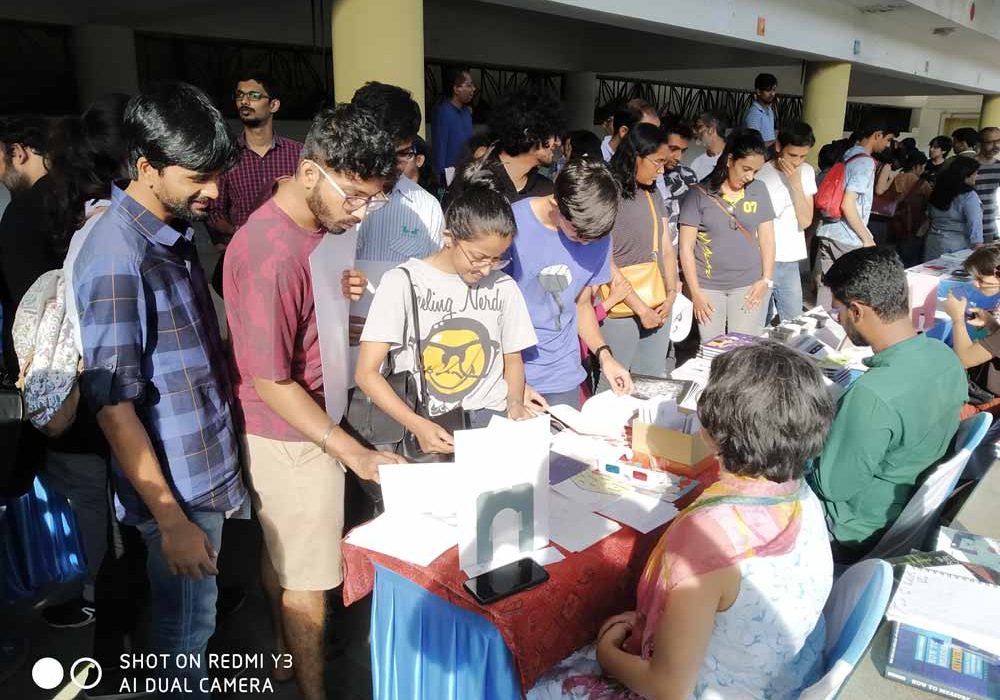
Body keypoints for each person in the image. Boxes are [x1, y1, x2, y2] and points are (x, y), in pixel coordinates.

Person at [529, 340, 834, 700]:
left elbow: (668, 688)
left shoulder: (709, 534)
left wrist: (606, 654)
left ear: (710, 429)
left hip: (715, 689)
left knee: (537, 680)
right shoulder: (801, 494)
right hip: (786, 675)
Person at [223, 103, 405, 700]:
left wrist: (340, 287)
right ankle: (312, 689)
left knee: (286, 554)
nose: (360, 212)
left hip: (315, 416)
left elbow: (311, 310)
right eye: (353, 196)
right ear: (309, 172)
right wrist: (349, 451)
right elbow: (271, 380)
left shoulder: (322, 229)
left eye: (371, 201)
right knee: (309, 579)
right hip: (289, 434)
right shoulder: (268, 253)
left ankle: (281, 653)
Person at [72, 82, 246, 699]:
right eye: (199, 177)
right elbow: (113, 403)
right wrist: (171, 520)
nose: (214, 192)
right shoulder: (117, 252)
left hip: (200, 468)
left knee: (191, 630)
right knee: (182, 637)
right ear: (146, 166)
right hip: (177, 489)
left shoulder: (170, 231)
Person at [356, 176, 539, 455]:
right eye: (478, 257)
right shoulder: (402, 282)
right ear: (448, 237)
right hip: (425, 423)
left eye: (497, 258)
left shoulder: (504, 287)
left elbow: (512, 358)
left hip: (491, 423)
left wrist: (514, 403)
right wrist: (415, 424)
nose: (487, 269)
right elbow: (367, 373)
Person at [807, 248, 967, 561]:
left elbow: (833, 487)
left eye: (837, 310)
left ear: (857, 311)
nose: (837, 319)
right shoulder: (945, 357)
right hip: (901, 512)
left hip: (853, 530)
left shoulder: (871, 396)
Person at [507, 159, 632, 408]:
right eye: (578, 234)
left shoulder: (599, 238)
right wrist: (511, 383)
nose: (585, 243)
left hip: (563, 376)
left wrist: (605, 356)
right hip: (513, 373)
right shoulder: (512, 225)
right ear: (556, 203)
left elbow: (582, 305)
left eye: (593, 238)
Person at [599, 123, 679, 382]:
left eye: (664, 162)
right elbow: (603, 259)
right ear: (636, 156)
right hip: (618, 302)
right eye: (656, 161)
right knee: (615, 383)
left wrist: (671, 293)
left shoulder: (653, 192)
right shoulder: (607, 192)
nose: (661, 169)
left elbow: (666, 247)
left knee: (651, 381)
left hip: (657, 298)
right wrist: (640, 308)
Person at [678, 129, 776, 339]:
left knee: (743, 350)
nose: (749, 177)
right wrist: (695, 292)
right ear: (730, 160)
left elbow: (767, 238)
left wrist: (765, 279)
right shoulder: (699, 193)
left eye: (755, 172)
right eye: (746, 169)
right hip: (708, 288)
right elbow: (685, 247)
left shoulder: (759, 190)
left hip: (749, 286)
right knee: (712, 349)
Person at [206, 72, 303, 250]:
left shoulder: (297, 153)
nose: (244, 101)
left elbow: (308, 204)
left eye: (254, 96)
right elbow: (215, 213)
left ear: (273, 105)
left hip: (289, 249)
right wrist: (237, 232)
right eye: (240, 95)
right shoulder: (227, 155)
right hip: (243, 250)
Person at [353, 81, 444, 263]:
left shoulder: (427, 208)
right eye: (381, 154)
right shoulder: (327, 199)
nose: (388, 165)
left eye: (402, 154)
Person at [0, 115, 56, 373]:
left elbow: (27, 305)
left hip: (46, 366)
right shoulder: (83, 196)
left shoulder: (21, 214)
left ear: (17, 152)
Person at [449, 89, 565, 204]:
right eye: (552, 134)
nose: (558, 143)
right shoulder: (475, 180)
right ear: (529, 135)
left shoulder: (546, 191)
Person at [814, 119, 898, 274]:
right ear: (877, 135)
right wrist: (866, 238)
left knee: (827, 287)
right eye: (888, 140)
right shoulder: (865, 162)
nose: (887, 145)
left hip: (829, 229)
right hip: (847, 236)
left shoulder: (848, 155)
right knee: (848, 288)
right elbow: (848, 204)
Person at [754, 121, 818, 322]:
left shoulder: (806, 172)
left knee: (794, 321)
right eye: (792, 155)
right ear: (779, 147)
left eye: (802, 156)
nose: (797, 162)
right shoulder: (759, 174)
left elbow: (806, 220)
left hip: (790, 260)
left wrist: (796, 184)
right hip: (760, 259)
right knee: (758, 321)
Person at [924, 156, 983, 260]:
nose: (977, 176)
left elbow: (929, 215)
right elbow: (974, 221)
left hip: (933, 241)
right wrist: (978, 244)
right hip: (957, 246)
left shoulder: (938, 191)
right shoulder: (969, 195)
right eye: (975, 173)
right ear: (966, 175)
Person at [431, 67, 475, 178]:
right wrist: (440, 177)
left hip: (467, 173)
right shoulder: (443, 112)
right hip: (449, 176)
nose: (473, 89)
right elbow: (440, 147)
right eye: (469, 85)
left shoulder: (467, 113)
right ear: (456, 89)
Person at [974, 126, 1000, 244]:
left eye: (999, 141)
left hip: (990, 229)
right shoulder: (969, 166)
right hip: (969, 228)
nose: (996, 146)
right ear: (980, 144)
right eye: (990, 142)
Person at [742, 73, 778, 147]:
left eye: (773, 90)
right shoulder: (753, 114)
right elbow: (753, 144)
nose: (772, 94)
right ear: (758, 91)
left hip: (768, 156)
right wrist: (774, 143)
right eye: (768, 90)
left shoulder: (770, 110)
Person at [690, 111, 728, 181]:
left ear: (712, 130)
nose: (696, 132)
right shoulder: (697, 163)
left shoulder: (734, 157)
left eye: (699, 128)